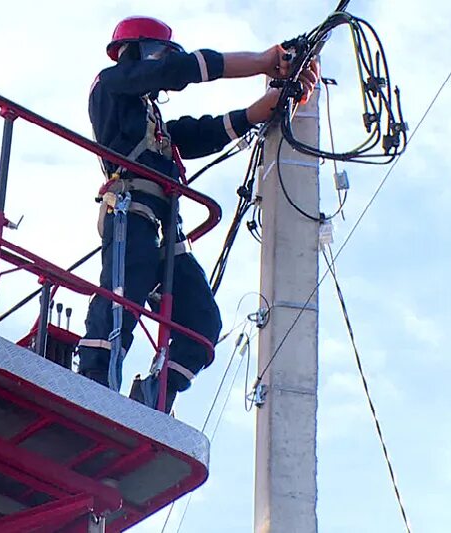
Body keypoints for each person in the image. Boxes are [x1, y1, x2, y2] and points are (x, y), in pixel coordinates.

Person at [77, 16, 319, 413]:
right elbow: (178, 69)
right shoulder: (111, 85)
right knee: (123, 296)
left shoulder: (153, 123)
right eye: (155, 55)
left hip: (165, 227)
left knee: (201, 323)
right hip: (131, 211)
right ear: (131, 54)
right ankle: (92, 382)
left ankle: (154, 395)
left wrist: (261, 110)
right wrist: (263, 61)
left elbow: (198, 132)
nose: (158, 68)